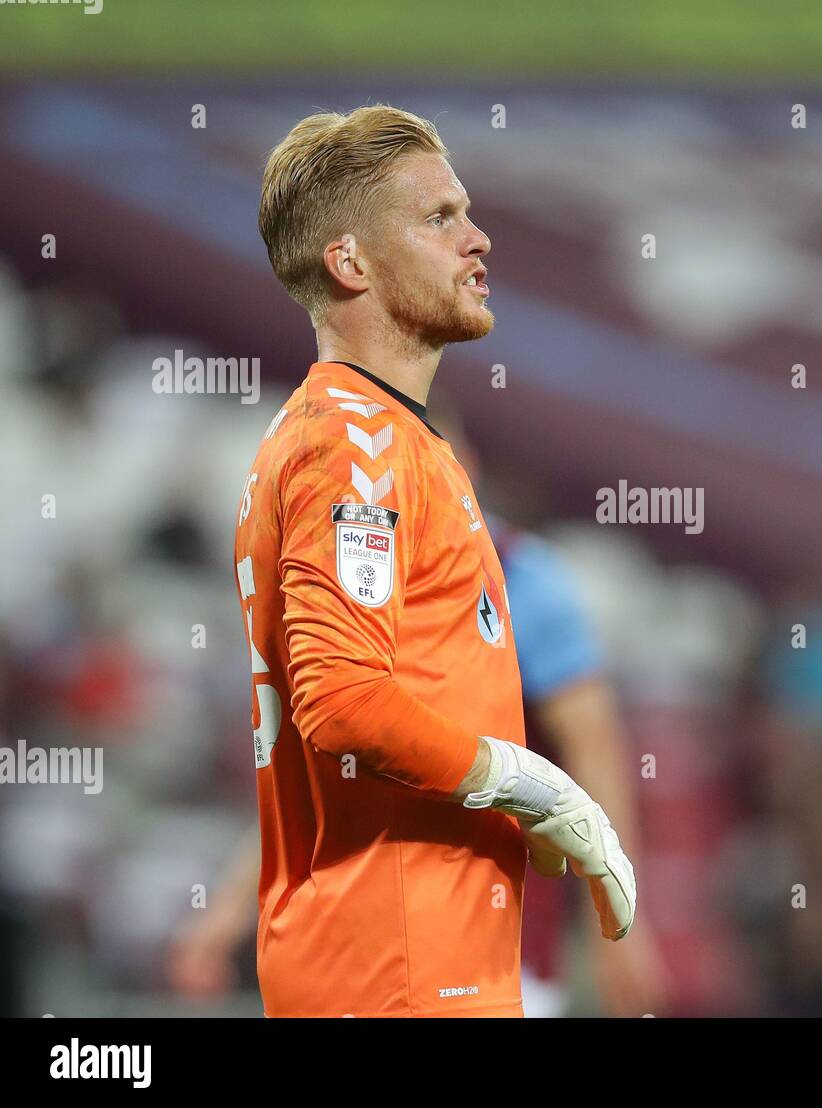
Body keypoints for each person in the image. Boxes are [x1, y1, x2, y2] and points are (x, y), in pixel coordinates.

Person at [224, 105, 634, 1017]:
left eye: (468, 212)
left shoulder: (360, 438)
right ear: (350, 261)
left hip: (396, 962)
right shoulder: (356, 444)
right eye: (438, 217)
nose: (478, 239)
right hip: (401, 972)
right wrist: (532, 784)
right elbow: (345, 701)